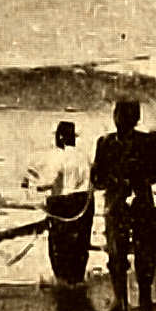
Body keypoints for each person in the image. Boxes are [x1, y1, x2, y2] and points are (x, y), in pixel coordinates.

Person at [90, 99, 156, 311]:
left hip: (119, 205)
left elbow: (97, 179)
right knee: (142, 254)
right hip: (140, 204)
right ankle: (142, 300)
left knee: (119, 255)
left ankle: (123, 302)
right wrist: (148, 182)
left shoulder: (105, 143)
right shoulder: (148, 142)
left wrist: (115, 182)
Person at [23, 121, 94, 287]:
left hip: (63, 202)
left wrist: (31, 183)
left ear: (60, 137)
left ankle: (63, 282)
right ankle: (77, 279)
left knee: (59, 245)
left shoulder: (59, 156)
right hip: (85, 201)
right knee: (80, 244)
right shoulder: (84, 156)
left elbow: (49, 182)